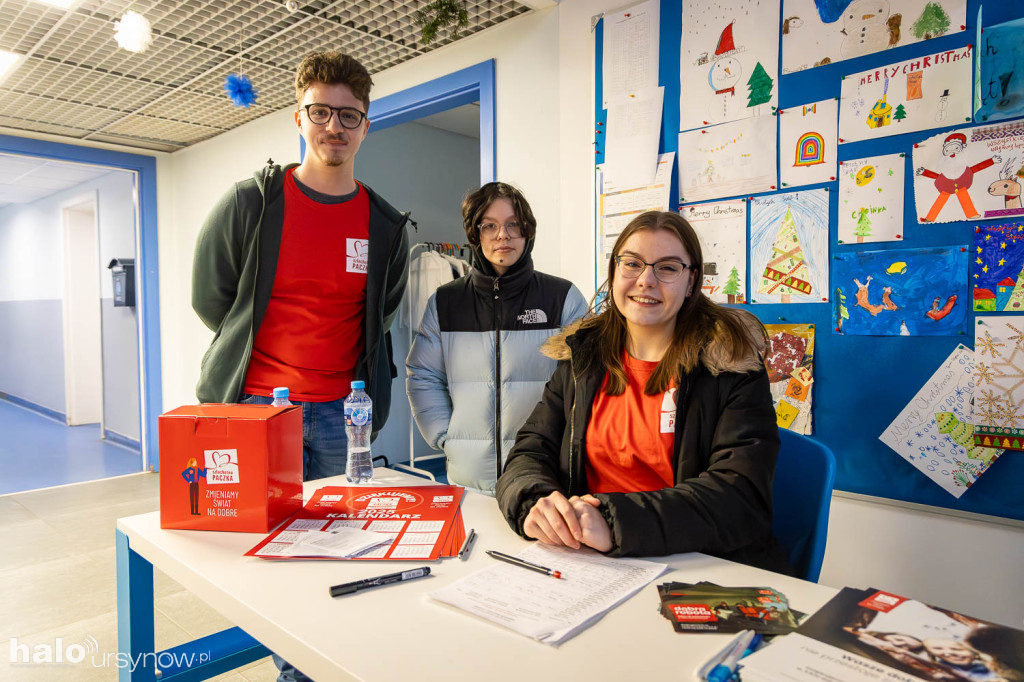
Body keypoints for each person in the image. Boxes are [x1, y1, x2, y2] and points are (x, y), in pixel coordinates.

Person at [495, 210, 789, 572]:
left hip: (699, 565)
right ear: (615, 271)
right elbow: (530, 451)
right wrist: (534, 504)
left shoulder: (730, 365)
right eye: (632, 264)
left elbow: (740, 496)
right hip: (590, 561)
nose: (645, 280)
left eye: (667, 268)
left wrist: (615, 522)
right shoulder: (583, 357)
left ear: (692, 281)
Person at [192, 50, 410, 484]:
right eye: (321, 112)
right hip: (257, 405)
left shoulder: (386, 226)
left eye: (349, 116)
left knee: (336, 537)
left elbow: (380, 316)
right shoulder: (249, 204)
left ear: (366, 127)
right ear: (299, 119)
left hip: (345, 414)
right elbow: (210, 301)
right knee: (254, 537)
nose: (334, 126)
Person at [406, 182, 588, 492]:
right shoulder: (445, 302)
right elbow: (423, 374)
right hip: (468, 478)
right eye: (489, 226)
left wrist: (563, 439)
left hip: (543, 478)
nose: (502, 235)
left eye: (512, 225)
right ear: (475, 234)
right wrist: (445, 436)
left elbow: (585, 381)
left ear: (527, 231)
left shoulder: (562, 298)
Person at [924, 638, 1004, 682]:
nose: (947, 654)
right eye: (938, 649)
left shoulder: (990, 666)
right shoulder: (943, 670)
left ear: (976, 653)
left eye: (957, 649)